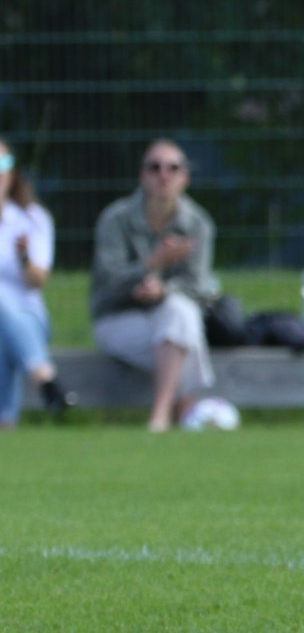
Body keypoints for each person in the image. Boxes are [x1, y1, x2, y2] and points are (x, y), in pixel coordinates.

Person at [90, 139, 221, 432]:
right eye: (155, 167)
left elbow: (199, 289)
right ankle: (185, 409)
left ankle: (160, 417)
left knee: (180, 314)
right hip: (119, 318)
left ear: (185, 178)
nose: (164, 174)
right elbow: (108, 284)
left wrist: (163, 291)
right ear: (142, 175)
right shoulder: (115, 219)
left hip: (171, 321)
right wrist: (153, 263)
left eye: (173, 168)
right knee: (183, 334)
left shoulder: (199, 224)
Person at [0, 138, 70, 426]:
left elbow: (38, 281)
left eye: (3, 164)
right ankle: (43, 375)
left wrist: (25, 257)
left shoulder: (33, 219)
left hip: (30, 319)